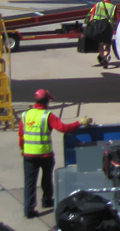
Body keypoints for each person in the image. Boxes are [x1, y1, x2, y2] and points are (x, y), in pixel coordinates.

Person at [20, 89, 92, 219]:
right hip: (45, 155)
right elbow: (63, 128)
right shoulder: (47, 116)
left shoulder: (25, 115)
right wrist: (79, 123)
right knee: (46, 179)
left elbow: (21, 135)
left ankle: (28, 209)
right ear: (47, 101)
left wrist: (23, 149)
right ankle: (47, 201)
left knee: (29, 182)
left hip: (28, 155)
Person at [87, 0, 118, 67]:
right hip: (108, 27)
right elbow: (116, 19)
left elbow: (91, 17)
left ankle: (102, 57)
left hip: (98, 27)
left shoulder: (97, 5)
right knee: (107, 44)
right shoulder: (113, 7)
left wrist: (89, 26)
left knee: (100, 44)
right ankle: (105, 57)